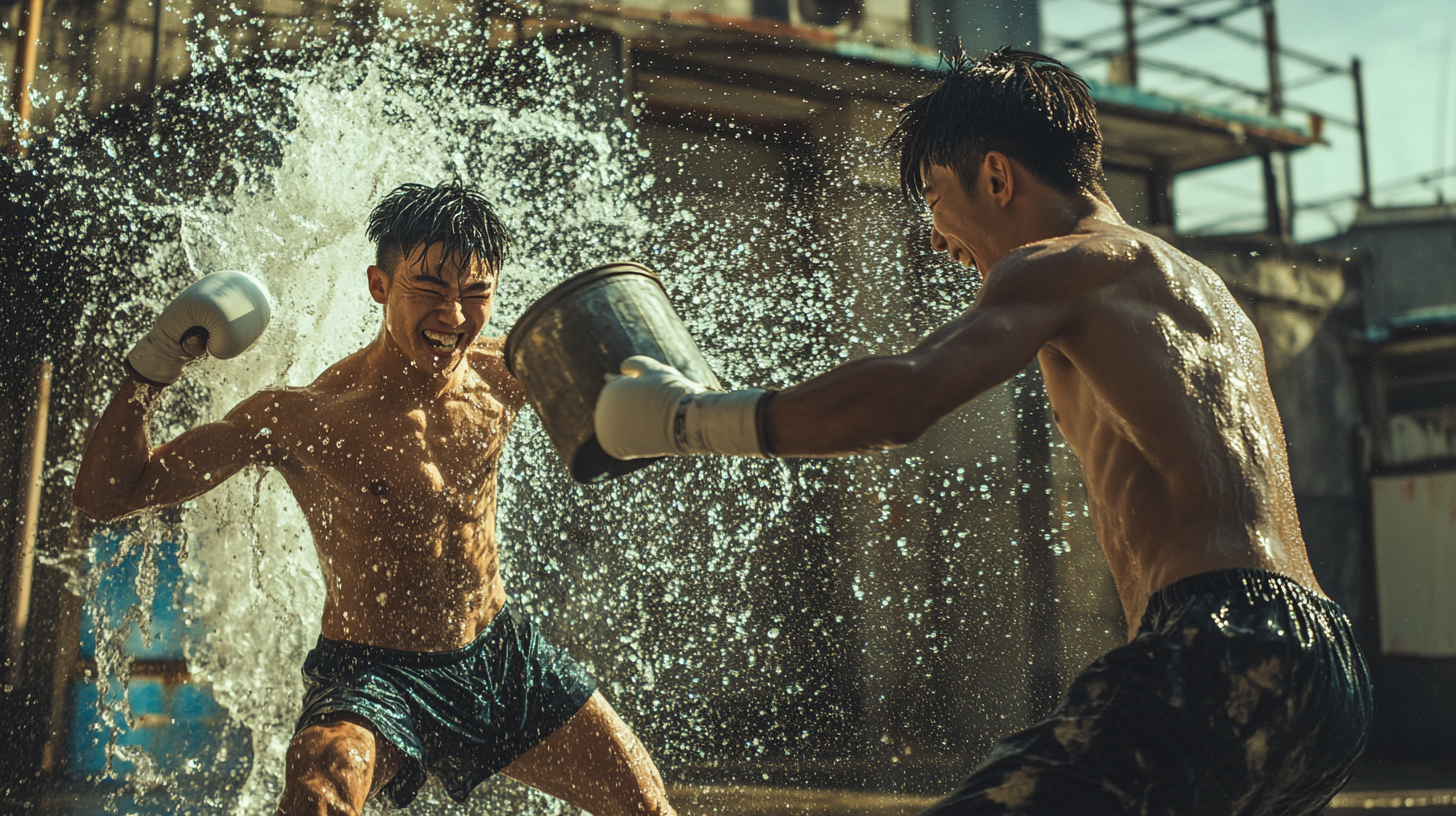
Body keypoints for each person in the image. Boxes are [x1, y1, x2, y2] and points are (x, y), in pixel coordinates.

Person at [592, 48, 1372, 816]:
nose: (935, 236)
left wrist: (688, 417)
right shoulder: (1202, 290)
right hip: (1322, 666)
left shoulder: (1058, 263)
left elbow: (902, 398)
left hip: (1219, 646)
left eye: (934, 196)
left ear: (997, 177)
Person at [73, 181, 676, 816]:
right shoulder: (305, 418)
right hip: (375, 675)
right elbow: (112, 495)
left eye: (476, 295)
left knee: (647, 805)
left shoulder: (508, 371)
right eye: (431, 292)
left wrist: (658, 388)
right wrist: (152, 367)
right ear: (379, 286)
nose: (454, 317)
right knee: (318, 790)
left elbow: (645, 397)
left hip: (500, 654)